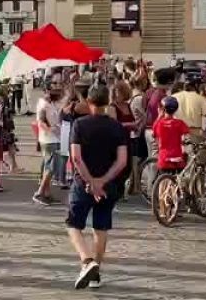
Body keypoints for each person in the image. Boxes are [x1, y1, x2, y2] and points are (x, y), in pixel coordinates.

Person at [66, 86, 127, 290]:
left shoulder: (79, 124)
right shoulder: (117, 127)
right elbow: (121, 161)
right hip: (109, 185)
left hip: (83, 183)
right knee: (101, 227)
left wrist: (91, 181)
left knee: (74, 225)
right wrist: (103, 181)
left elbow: (76, 157)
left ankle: (86, 260)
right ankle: (96, 273)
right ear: (108, 102)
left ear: (89, 103)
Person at [33, 82, 63, 205]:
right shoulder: (43, 105)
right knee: (51, 167)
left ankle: (47, 193)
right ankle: (40, 192)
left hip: (53, 138)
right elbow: (41, 121)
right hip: (49, 140)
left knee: (48, 167)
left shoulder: (50, 103)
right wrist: (50, 130)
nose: (59, 92)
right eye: (55, 89)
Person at [152, 96, 190, 173]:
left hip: (164, 158)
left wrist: (159, 116)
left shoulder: (159, 123)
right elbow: (187, 137)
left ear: (163, 109)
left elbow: (154, 135)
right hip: (178, 158)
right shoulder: (180, 123)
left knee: (163, 182)